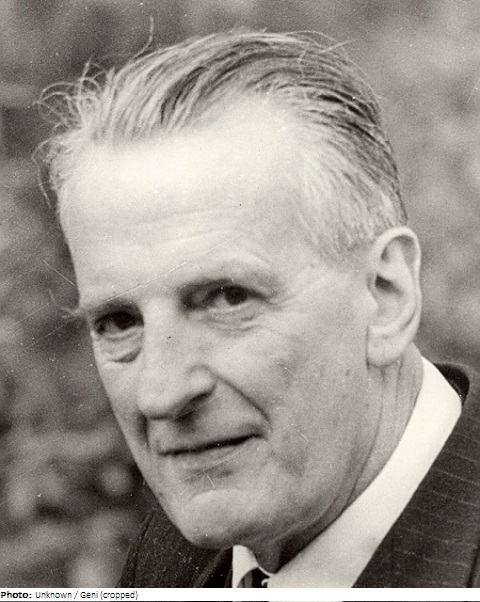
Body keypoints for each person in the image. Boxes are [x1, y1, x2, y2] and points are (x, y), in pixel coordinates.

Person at [41, 30, 480, 588]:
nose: (161, 393)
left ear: (385, 296)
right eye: (120, 323)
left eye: (228, 299)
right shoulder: (172, 559)